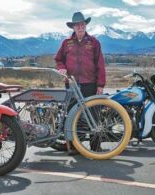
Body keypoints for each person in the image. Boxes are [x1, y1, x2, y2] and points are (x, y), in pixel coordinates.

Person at [54, 11, 106, 155]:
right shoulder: (66, 43)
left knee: (94, 115)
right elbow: (58, 59)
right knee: (72, 115)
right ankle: (74, 146)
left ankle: (95, 147)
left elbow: (100, 64)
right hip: (71, 84)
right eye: (77, 25)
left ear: (85, 25)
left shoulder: (94, 42)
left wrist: (100, 85)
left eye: (82, 24)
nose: (80, 27)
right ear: (73, 27)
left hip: (90, 84)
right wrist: (62, 68)